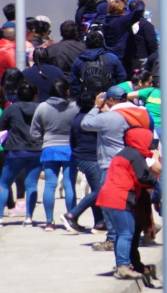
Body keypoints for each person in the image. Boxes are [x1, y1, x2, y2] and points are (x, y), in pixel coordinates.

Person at [81, 85, 151, 251]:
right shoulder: (138, 114)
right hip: (132, 162)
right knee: (130, 201)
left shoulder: (110, 117)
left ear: (111, 100)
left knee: (109, 203)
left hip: (111, 164)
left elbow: (85, 124)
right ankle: (133, 234)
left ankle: (113, 238)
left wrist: (96, 106)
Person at [96, 126, 160, 280]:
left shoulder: (125, 153)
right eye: (149, 140)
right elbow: (143, 178)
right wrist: (156, 178)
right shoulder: (135, 155)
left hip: (110, 197)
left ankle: (123, 264)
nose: (151, 143)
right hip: (120, 197)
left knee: (122, 233)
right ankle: (123, 266)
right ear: (141, 140)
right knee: (126, 233)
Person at [30, 79, 79, 230]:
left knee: (50, 185)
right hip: (69, 149)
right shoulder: (75, 107)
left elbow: (34, 132)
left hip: (49, 148)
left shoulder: (42, 107)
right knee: (69, 184)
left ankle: (49, 221)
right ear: (66, 91)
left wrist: (42, 141)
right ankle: (71, 219)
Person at [61, 92, 105, 233]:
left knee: (95, 190)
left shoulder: (77, 118)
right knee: (99, 191)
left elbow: (72, 141)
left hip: (81, 157)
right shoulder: (92, 119)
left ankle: (99, 223)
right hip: (91, 159)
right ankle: (72, 215)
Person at [0, 82, 41, 227]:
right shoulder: (40, 108)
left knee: (4, 183)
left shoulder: (12, 108)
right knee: (31, 185)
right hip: (36, 149)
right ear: (34, 95)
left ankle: (0, 218)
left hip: (14, 150)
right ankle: (29, 217)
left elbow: (2, 125)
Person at [70, 31, 127, 98]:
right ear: (102, 43)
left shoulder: (79, 60)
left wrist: (79, 97)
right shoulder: (112, 58)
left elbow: (74, 82)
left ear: (86, 44)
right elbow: (122, 76)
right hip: (108, 98)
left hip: (87, 99)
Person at [102, 0, 145, 66]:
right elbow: (139, 10)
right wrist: (140, 1)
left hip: (108, 54)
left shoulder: (106, 20)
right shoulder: (123, 21)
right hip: (122, 56)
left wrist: (118, 0)